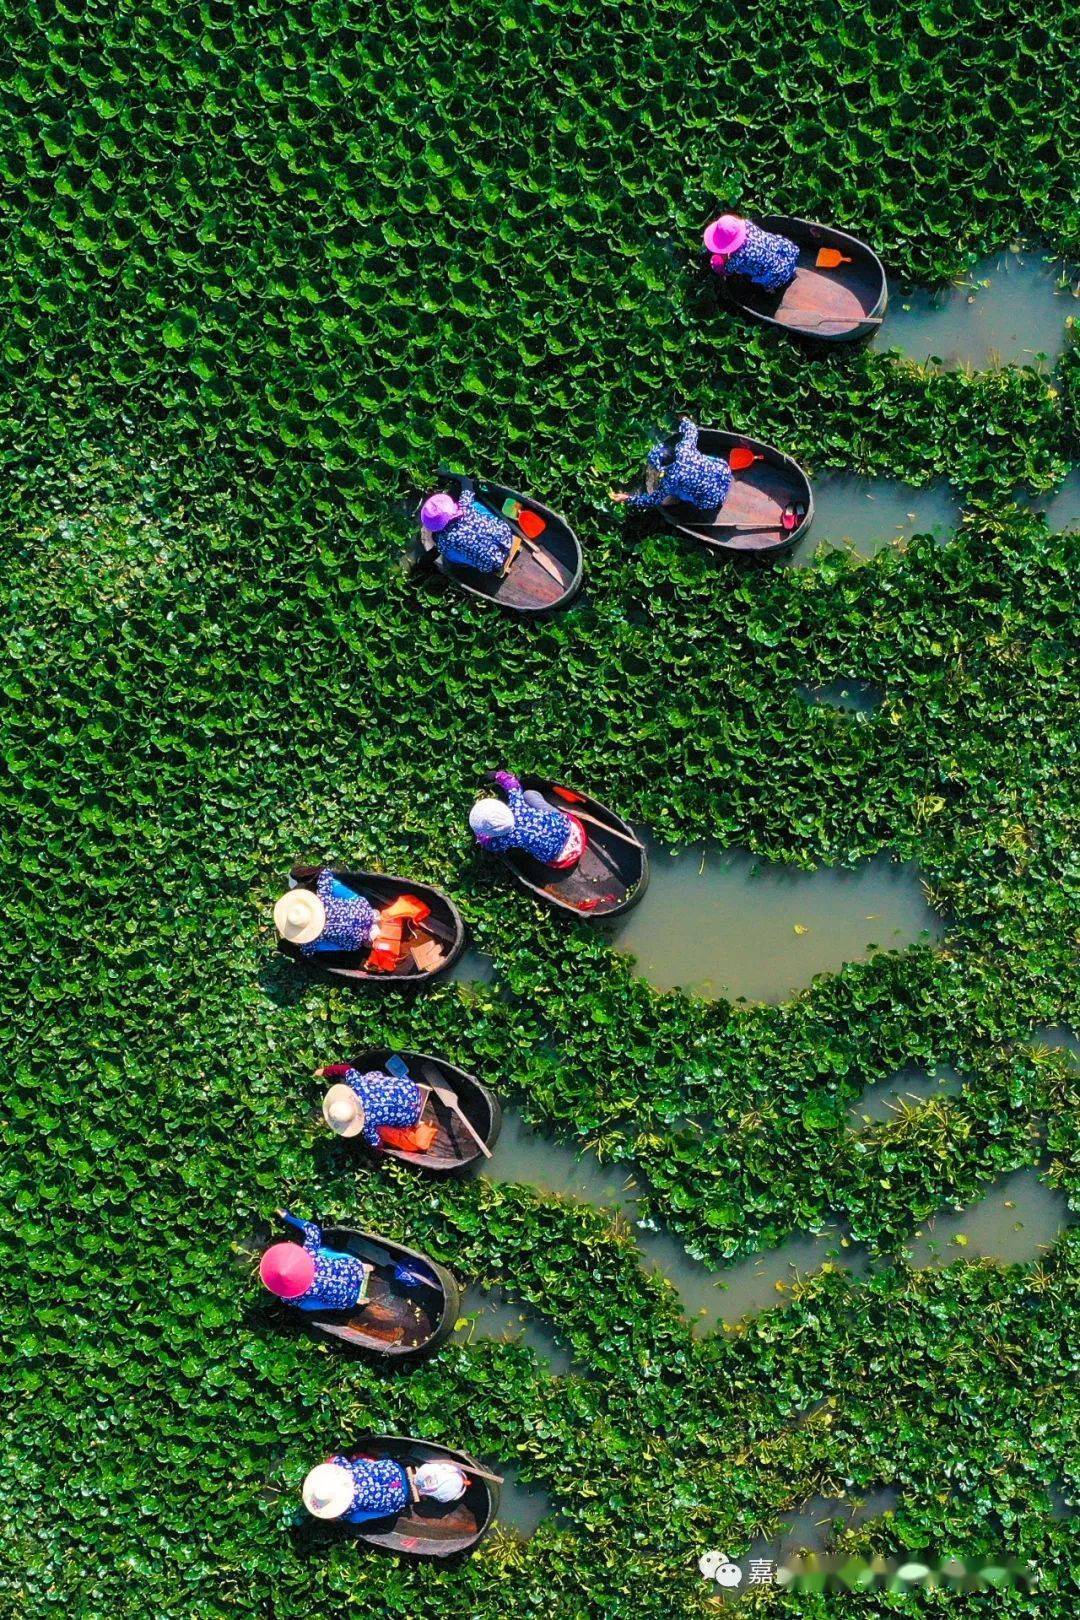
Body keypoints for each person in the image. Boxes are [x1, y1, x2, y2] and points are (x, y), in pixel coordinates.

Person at [302, 1453, 470, 1524]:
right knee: (364, 1463)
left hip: (394, 1494)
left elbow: (355, 1519)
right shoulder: (344, 1467)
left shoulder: (350, 1510)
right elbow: (337, 1459)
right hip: (389, 1473)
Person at [609, 417, 731, 514]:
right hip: (724, 474)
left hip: (713, 501)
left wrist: (627, 498)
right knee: (706, 459)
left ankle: (679, 500)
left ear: (662, 468)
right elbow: (692, 429)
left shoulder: (670, 480)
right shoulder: (684, 448)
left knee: (674, 493)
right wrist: (683, 418)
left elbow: (652, 500)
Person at [259, 1211, 372, 1312]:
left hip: (348, 1298)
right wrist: (287, 1217)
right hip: (355, 1269)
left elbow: (290, 1301)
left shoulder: (293, 1296)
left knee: (304, 1305)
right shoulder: (309, 1254)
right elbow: (313, 1230)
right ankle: (363, 1267)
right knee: (322, 1252)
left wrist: (276, 1288)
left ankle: (358, 1299)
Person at [469, 770, 585, 868]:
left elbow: (488, 845)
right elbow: (512, 783)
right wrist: (496, 775)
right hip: (569, 828)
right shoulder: (518, 805)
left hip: (559, 857)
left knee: (520, 850)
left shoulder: (504, 839)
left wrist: (479, 835)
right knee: (529, 795)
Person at [319, 1062, 436, 1153]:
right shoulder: (358, 1083)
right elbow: (345, 1069)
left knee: (380, 1130)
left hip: (411, 1118)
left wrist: (377, 1155)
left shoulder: (366, 1125)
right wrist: (324, 1071)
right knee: (370, 1077)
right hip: (412, 1090)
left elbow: (377, 1144)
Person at [273, 869, 380, 959]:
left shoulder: (312, 940)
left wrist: (299, 941)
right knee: (336, 887)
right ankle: (372, 917)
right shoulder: (324, 899)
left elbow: (307, 952)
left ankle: (369, 933)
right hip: (364, 910)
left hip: (358, 938)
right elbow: (325, 873)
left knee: (328, 944)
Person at [420, 488, 513, 574]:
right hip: (506, 536)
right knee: (475, 505)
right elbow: (468, 488)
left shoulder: (444, 542)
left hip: (492, 564)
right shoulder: (465, 505)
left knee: (449, 555)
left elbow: (442, 552)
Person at [703, 213, 799, 293]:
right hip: (786, 252)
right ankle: (791, 271)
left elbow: (728, 270)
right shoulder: (747, 224)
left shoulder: (738, 256)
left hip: (777, 274)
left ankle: (770, 288)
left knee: (745, 269)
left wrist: (720, 265)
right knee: (772, 259)